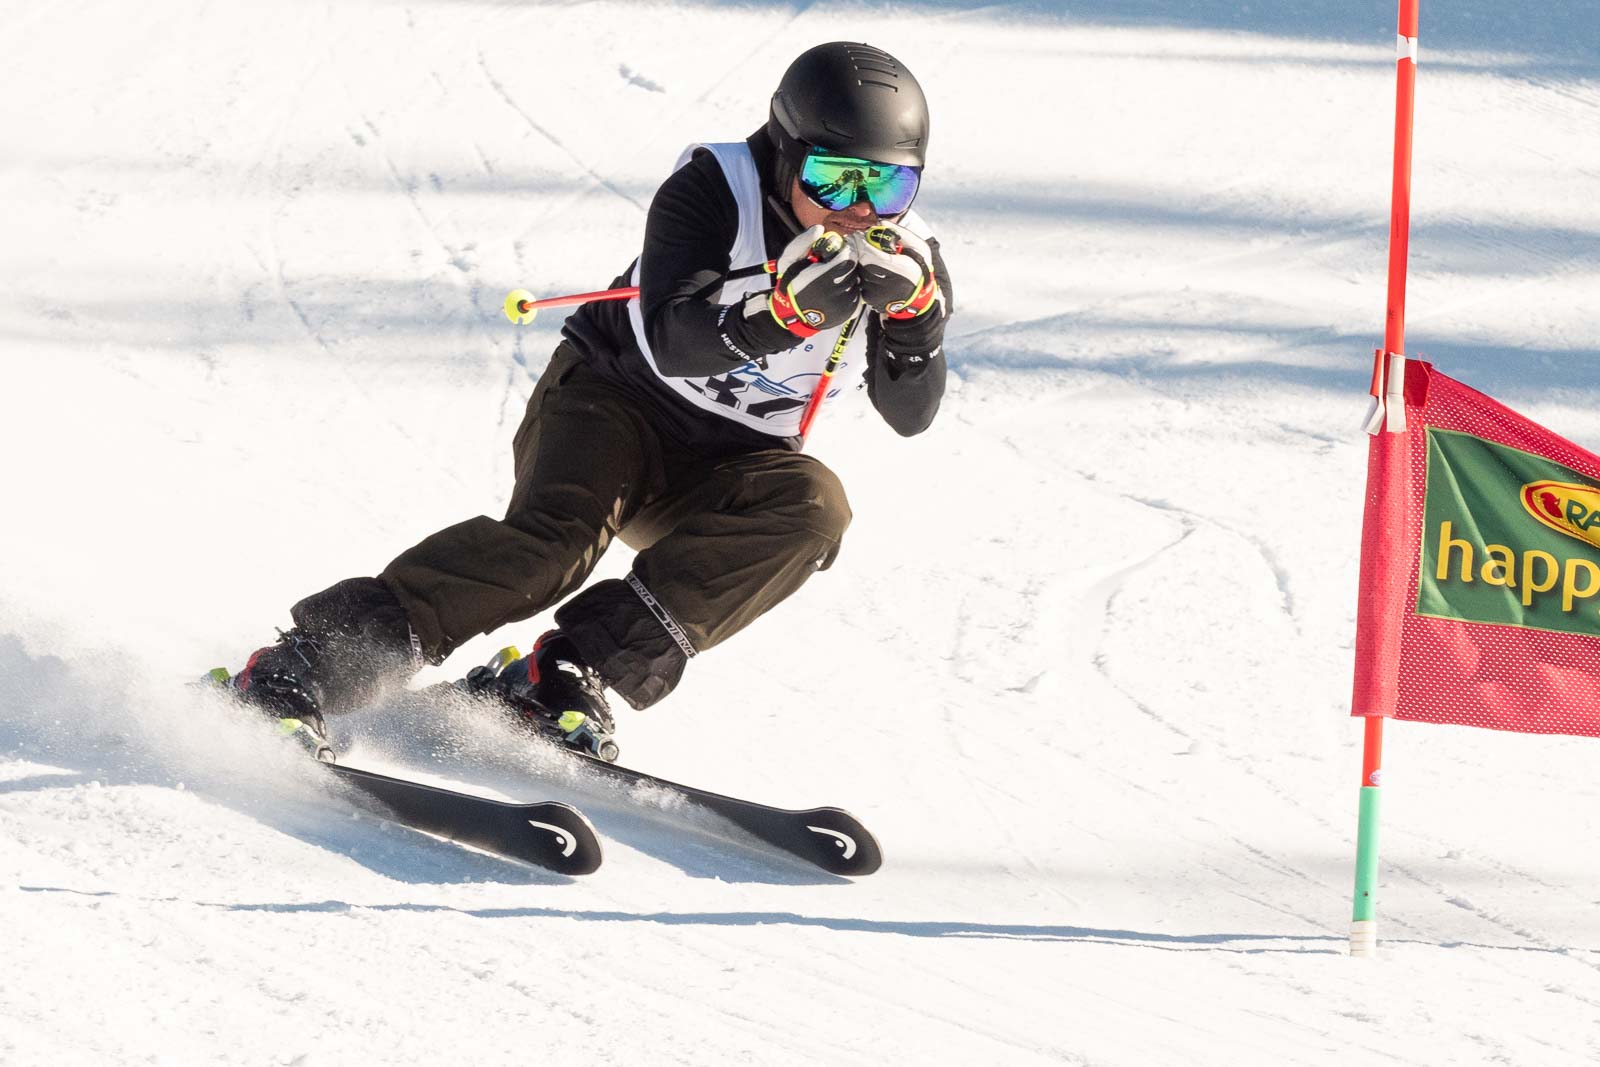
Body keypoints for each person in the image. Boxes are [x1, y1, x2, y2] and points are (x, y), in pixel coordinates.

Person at [225, 41, 954, 760]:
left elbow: (910, 415)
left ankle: (562, 671)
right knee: (552, 549)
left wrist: (915, 321)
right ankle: (308, 663)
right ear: (787, 154)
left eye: (889, 187)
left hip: (728, 460)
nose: (859, 210)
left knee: (815, 507)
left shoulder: (905, 255)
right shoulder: (715, 188)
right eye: (835, 180)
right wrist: (780, 318)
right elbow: (672, 339)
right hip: (613, 401)